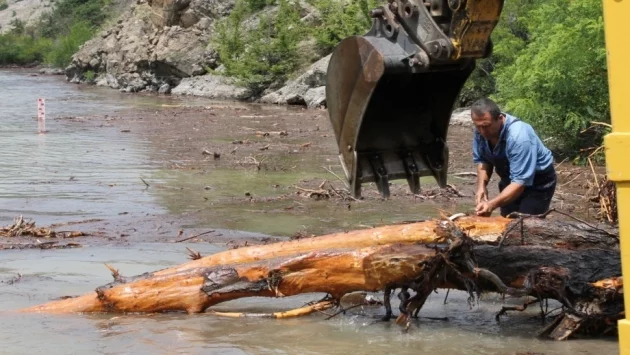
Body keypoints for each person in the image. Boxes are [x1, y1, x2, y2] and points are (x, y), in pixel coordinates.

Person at [471, 98, 557, 217]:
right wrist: (481, 187)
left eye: (486, 126)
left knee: (525, 225)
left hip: (538, 182)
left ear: (500, 118)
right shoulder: (480, 131)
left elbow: (520, 182)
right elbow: (483, 160)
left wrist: (491, 204)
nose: (482, 131)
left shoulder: (518, 136)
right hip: (510, 177)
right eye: (478, 126)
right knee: (507, 221)